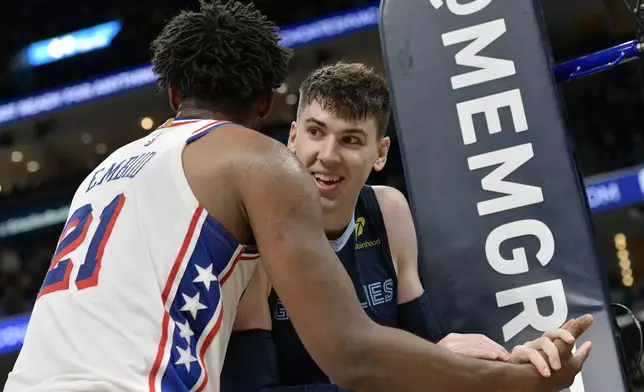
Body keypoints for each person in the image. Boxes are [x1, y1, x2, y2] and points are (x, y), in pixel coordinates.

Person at [4, 2, 591, 392]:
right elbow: (351, 353)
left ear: (174, 92)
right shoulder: (256, 160)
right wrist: (522, 383)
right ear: (267, 107)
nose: (325, 156)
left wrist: (447, 354)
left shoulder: (102, 173)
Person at [222, 62, 591, 391]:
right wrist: (420, 371)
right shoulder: (257, 234)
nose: (328, 155)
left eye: (351, 139)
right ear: (292, 138)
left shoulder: (388, 211)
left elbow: (426, 344)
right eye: (316, 132)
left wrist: (513, 366)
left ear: (380, 153)